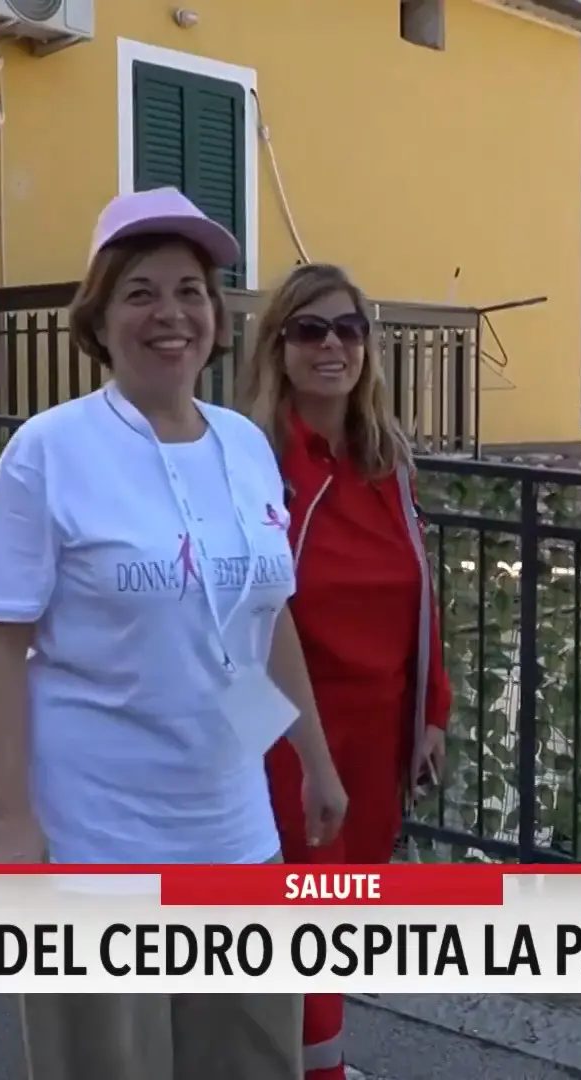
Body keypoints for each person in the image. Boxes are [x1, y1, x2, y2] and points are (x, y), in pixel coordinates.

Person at [0, 187, 350, 1080]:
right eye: (141, 292)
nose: (169, 314)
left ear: (215, 317)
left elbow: (255, 623)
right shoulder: (49, 452)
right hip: (100, 838)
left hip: (234, 835)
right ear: (99, 317)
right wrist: (11, 814)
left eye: (190, 290)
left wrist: (315, 759)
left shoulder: (246, 447)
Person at [240, 263, 453, 1080]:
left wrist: (431, 712)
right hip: (286, 726)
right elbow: (247, 614)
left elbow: (418, 592)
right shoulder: (254, 460)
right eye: (311, 329)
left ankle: (294, 1059)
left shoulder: (385, 461)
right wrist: (273, 742)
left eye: (349, 329)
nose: (333, 346)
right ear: (279, 346)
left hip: (378, 726)